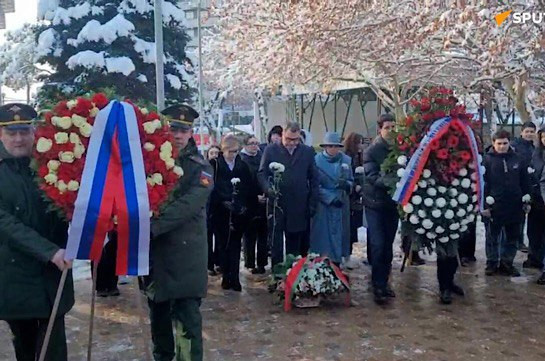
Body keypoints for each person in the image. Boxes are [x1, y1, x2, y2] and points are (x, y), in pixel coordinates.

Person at [0, 103, 74, 361]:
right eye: (11, 133)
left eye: (24, 131)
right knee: (28, 349)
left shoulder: (52, 165)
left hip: (53, 278)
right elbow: (5, 224)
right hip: (16, 278)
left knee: (54, 352)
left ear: (34, 133)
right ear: (1, 135)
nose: (18, 139)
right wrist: (49, 251)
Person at [143, 104, 213, 361]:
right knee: (159, 325)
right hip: (157, 257)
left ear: (191, 132)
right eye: (174, 128)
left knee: (188, 327)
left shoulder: (201, 167)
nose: (178, 135)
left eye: (184, 130)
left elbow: (188, 206)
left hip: (186, 257)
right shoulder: (150, 161)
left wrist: (149, 228)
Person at [258, 122, 319, 267]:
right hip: (277, 204)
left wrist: (312, 203)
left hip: (299, 205)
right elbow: (262, 174)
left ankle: (294, 275)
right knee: (276, 245)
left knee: (295, 247)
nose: (292, 143)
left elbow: (314, 179)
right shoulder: (271, 150)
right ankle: (277, 276)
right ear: (282, 135)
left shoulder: (307, 152)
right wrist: (269, 189)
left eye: (295, 139)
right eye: (289, 139)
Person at [482, 129, 530, 277]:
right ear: (493, 143)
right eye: (499, 143)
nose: (502, 146)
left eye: (505, 143)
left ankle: (506, 262)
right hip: (495, 205)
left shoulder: (518, 159)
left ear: (509, 143)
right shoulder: (487, 160)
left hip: (514, 205)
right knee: (492, 237)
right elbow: (484, 184)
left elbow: (525, 181)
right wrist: (485, 205)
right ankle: (491, 262)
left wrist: (527, 200)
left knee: (513, 237)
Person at [362, 114, 399, 304]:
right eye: (387, 127)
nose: (391, 131)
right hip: (375, 204)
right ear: (380, 130)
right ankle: (377, 285)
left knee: (388, 246)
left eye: (394, 127)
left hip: (392, 204)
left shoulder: (399, 149)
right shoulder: (372, 151)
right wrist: (395, 182)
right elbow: (373, 177)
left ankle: (385, 282)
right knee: (378, 244)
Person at [209, 136, 252, 291]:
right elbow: (212, 187)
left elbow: (248, 186)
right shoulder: (215, 165)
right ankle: (226, 277)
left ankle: (235, 277)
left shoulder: (242, 165)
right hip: (221, 212)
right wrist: (224, 200)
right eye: (230, 151)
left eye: (235, 151)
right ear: (223, 150)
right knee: (222, 245)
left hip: (237, 212)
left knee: (235, 245)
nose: (233, 154)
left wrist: (240, 205)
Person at [310, 132, 353, 265]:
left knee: (340, 233)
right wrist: (330, 198)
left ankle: (338, 261)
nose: (333, 149)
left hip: (341, 202)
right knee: (323, 235)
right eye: (330, 146)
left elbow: (351, 180)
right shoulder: (316, 161)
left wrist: (347, 185)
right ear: (325, 147)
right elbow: (314, 185)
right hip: (324, 204)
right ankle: (322, 260)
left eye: (336, 146)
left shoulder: (346, 160)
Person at [240, 135, 268, 274]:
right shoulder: (241, 160)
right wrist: (253, 197)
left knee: (263, 234)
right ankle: (250, 262)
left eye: (256, 143)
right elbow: (243, 183)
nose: (254, 146)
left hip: (264, 199)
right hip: (250, 201)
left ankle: (262, 263)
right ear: (245, 145)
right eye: (251, 143)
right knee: (249, 234)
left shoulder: (262, 157)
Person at [512, 121, 536, 253]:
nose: (529, 134)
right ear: (521, 132)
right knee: (519, 214)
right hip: (518, 182)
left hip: (530, 183)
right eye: (527, 131)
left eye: (532, 131)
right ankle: (518, 241)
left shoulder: (534, 147)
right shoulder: (515, 146)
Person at [343, 132, 366, 268]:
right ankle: (346, 254)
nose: (361, 146)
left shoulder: (359, 156)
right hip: (350, 196)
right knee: (350, 227)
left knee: (354, 227)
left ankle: (349, 254)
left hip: (357, 197)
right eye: (359, 142)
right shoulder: (348, 157)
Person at [206, 145, 221, 276]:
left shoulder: (222, 169)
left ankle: (218, 261)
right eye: (212, 153)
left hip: (219, 208)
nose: (215, 155)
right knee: (208, 238)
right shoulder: (205, 169)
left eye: (217, 153)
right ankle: (209, 264)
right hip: (207, 208)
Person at [93, 232, 120, 297]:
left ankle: (112, 284)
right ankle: (100, 286)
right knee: (98, 254)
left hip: (113, 225)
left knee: (113, 252)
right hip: (97, 225)